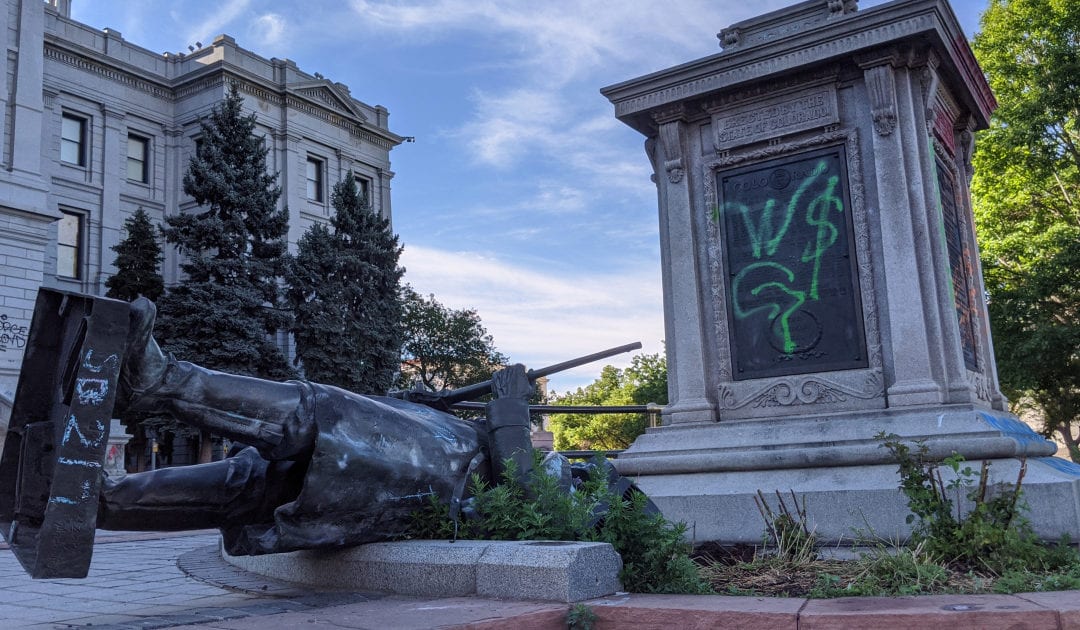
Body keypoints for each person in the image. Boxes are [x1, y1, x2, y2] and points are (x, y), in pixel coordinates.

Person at [98, 297, 506, 556]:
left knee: (315, 414)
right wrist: (420, 402)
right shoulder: (474, 429)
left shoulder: (556, 471)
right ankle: (101, 502)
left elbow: (520, 477)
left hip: (422, 469)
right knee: (251, 479)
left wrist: (513, 411)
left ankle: (163, 381)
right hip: (408, 456)